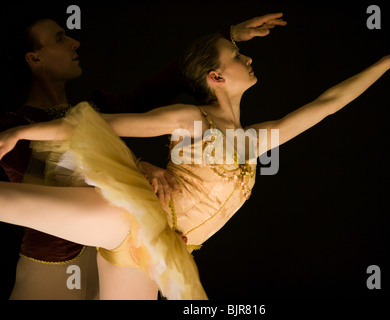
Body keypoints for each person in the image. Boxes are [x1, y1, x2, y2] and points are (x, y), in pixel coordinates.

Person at [0, 33, 390, 299]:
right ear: (215, 77)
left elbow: (326, 105)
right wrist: (19, 133)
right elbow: (99, 125)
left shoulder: (252, 141)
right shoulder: (191, 119)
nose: (248, 58)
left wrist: (385, 63)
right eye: (237, 55)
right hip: (132, 216)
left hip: (157, 256)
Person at [0, 10, 287, 300]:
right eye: (60, 38)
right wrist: (138, 167)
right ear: (34, 58)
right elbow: (52, 176)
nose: (74, 42)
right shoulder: (16, 124)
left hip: (122, 253)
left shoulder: (97, 107)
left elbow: (160, 90)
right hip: (56, 263)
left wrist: (228, 39)